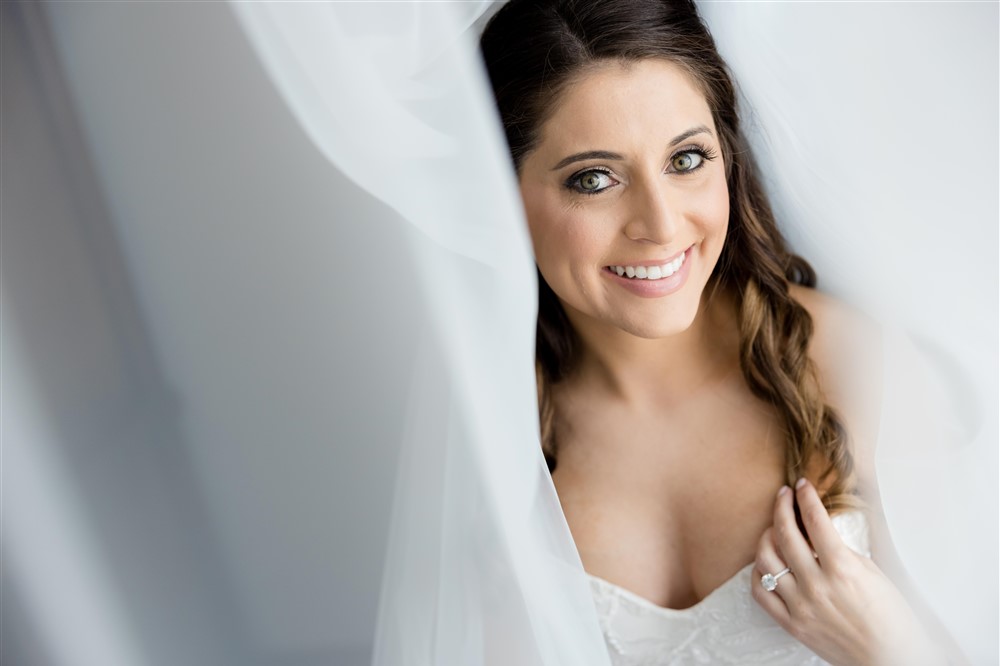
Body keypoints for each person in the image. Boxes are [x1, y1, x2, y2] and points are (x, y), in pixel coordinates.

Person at [479, 1, 965, 663]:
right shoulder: (488, 432)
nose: (660, 223)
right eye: (594, 179)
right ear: (497, 191)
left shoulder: (860, 370)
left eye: (686, 160)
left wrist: (890, 648)